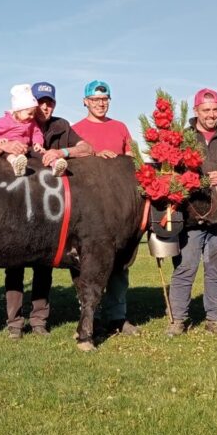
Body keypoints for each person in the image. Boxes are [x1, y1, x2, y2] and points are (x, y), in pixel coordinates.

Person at [0, 81, 94, 338]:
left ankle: (39, 320)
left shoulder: (61, 126)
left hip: (49, 209)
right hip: (16, 206)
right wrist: (4, 146)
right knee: (14, 265)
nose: (44, 107)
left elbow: (87, 148)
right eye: (40, 102)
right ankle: (14, 323)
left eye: (49, 102)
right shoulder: (12, 123)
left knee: (45, 265)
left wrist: (61, 151)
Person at [167, 88, 217, 338]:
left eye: (215, 109)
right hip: (190, 214)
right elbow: (168, 171)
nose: (211, 114)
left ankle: (216, 318)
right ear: (196, 111)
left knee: (216, 269)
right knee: (185, 267)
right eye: (206, 110)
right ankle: (178, 319)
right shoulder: (182, 137)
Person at [72, 80, 139, 336]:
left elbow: (132, 159)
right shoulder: (75, 129)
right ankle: (91, 317)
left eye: (104, 99)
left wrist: (120, 160)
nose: (100, 104)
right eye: (95, 99)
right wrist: (95, 157)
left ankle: (118, 316)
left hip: (119, 211)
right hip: (89, 212)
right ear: (85, 101)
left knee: (119, 265)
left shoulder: (120, 127)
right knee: (88, 266)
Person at [0, 85, 67, 177]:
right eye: (29, 114)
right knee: (6, 153)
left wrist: (38, 143)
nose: (32, 116)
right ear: (18, 111)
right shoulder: (6, 121)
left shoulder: (31, 122)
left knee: (39, 153)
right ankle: (16, 163)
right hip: (10, 147)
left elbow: (36, 133)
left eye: (33, 113)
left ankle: (55, 164)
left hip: (25, 148)